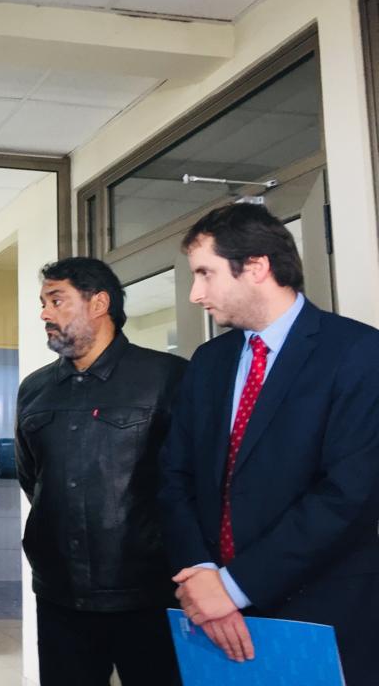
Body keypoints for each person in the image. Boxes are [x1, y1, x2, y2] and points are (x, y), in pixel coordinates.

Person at [160, 203, 379, 685]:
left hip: (320, 610)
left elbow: (350, 494)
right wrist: (203, 576)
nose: (196, 294)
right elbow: (174, 475)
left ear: (256, 266)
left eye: (205, 273)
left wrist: (234, 586)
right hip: (208, 615)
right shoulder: (209, 361)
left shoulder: (359, 352)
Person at [15, 258, 186, 686]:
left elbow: (190, 483)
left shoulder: (167, 376)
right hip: (59, 594)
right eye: (43, 302)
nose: (44, 313)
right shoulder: (34, 389)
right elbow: (34, 478)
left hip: (148, 595)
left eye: (56, 300)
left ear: (99, 303)